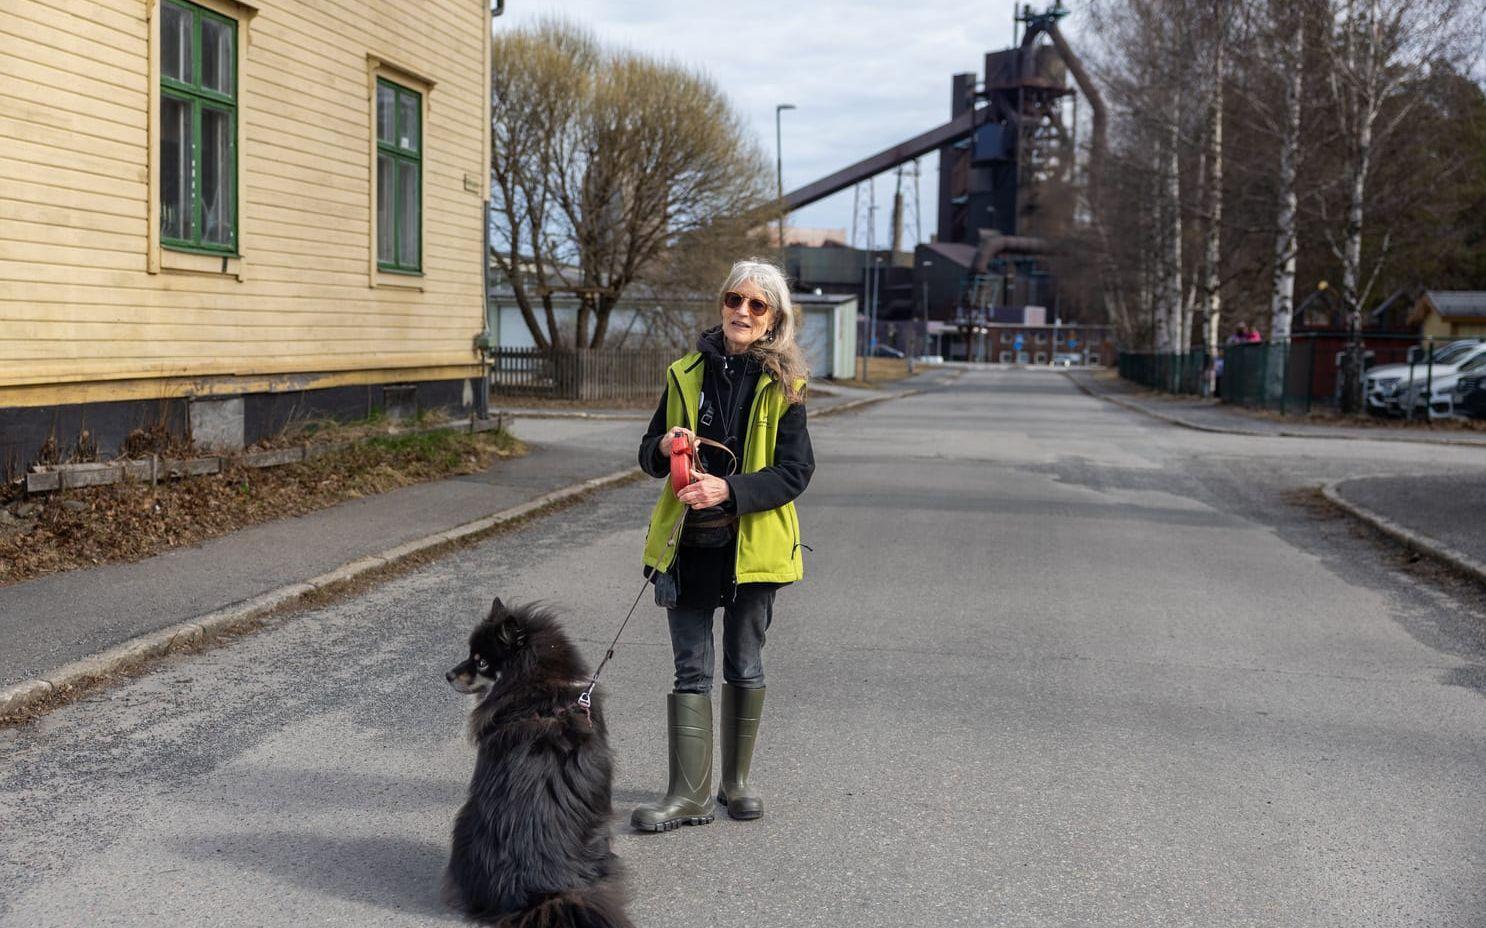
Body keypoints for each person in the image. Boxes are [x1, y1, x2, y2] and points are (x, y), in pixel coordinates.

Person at [631, 258, 815, 832]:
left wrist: (728, 488)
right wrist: (664, 446)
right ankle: (687, 795)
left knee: (744, 663)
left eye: (756, 305)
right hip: (687, 546)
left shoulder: (785, 387)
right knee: (691, 668)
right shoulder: (685, 372)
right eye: (734, 300)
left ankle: (735, 784)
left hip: (753, 549)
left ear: (773, 319)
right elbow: (645, 456)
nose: (742, 312)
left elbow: (795, 472)